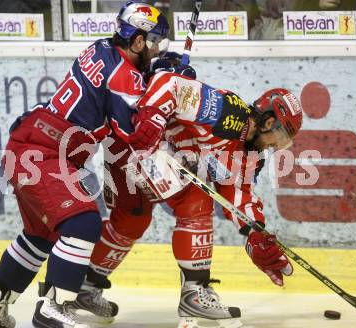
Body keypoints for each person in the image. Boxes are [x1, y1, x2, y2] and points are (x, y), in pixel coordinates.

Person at [0, 2, 169, 328]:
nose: (156, 48)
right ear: (138, 41)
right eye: (154, 41)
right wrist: (166, 84)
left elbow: (121, 84)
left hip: (32, 142)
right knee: (82, 225)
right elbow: (132, 134)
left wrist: (152, 73)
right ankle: (52, 308)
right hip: (45, 152)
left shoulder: (102, 48)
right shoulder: (124, 76)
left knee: (40, 236)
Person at [69, 68, 302, 328]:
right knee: (195, 198)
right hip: (138, 139)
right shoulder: (227, 112)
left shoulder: (251, 155)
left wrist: (255, 233)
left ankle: (83, 288)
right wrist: (152, 119)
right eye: (280, 137)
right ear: (269, 122)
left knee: (131, 221)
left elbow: (238, 194)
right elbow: (169, 83)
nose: (275, 146)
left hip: (143, 155)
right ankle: (195, 291)